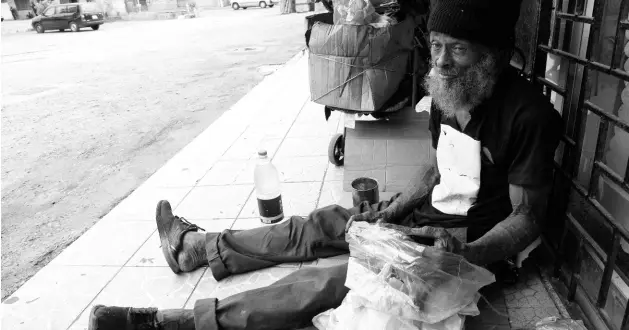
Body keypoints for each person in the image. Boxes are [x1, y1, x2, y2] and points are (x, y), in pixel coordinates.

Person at [88, 0, 563, 329]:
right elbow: (439, 170)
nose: (441, 63)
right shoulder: (447, 92)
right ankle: (199, 247)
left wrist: (466, 254)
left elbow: (528, 217)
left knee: (335, 277)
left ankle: (175, 324)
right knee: (322, 225)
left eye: (458, 49)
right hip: (422, 223)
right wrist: (395, 207)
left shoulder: (530, 116)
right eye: (436, 45)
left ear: (494, 57)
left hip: (465, 252)